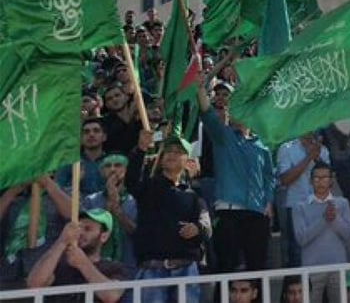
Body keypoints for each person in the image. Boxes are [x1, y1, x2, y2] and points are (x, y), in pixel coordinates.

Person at [197, 81, 273, 272]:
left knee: (258, 269)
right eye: (236, 109)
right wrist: (200, 89)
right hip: (229, 212)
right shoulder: (223, 136)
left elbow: (269, 177)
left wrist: (269, 202)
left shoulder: (262, 145)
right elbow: (207, 113)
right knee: (226, 269)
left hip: (257, 213)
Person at [127, 133, 211, 303]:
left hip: (186, 268)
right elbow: (131, 181)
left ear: (188, 161)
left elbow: (206, 227)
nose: (171, 154)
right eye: (168, 151)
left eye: (178, 151)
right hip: (153, 268)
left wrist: (197, 229)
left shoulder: (194, 195)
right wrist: (141, 150)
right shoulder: (149, 187)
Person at [25, 210, 132, 303]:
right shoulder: (58, 264)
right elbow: (34, 284)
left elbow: (111, 296)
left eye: (87, 229)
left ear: (104, 236)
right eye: (78, 228)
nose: (80, 233)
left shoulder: (116, 268)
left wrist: (82, 263)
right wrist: (62, 241)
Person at [293, 163, 350, 303]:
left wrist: (335, 219)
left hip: (338, 267)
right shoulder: (300, 206)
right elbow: (301, 238)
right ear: (310, 180)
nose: (320, 181)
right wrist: (324, 220)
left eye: (325, 177)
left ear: (331, 180)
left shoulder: (342, 203)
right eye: (316, 178)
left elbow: (349, 235)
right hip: (311, 268)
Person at [277, 132, 332, 267]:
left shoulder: (323, 150)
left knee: (321, 250)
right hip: (296, 207)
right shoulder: (286, 148)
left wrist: (318, 157)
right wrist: (308, 157)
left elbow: (329, 180)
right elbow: (285, 180)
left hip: (320, 206)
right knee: (296, 253)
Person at [81, 153, 138, 267]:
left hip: (130, 264)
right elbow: (92, 233)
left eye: (118, 165)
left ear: (126, 170)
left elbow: (136, 232)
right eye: (107, 166)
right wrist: (109, 203)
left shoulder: (136, 200)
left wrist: (117, 208)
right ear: (102, 172)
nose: (112, 169)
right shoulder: (91, 201)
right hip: (98, 265)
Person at [56, 119, 107, 197]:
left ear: (104, 137)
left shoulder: (111, 162)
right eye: (86, 132)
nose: (91, 134)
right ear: (81, 138)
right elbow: (57, 191)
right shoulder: (69, 161)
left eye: (96, 131)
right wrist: (75, 182)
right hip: (75, 206)